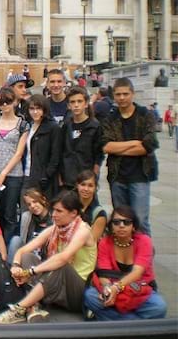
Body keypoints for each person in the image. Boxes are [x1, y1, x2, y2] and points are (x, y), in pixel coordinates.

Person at [0, 190, 97, 324]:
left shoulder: (83, 230)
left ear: (74, 213)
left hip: (78, 291)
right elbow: (22, 250)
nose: (53, 215)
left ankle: (19, 309)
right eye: (53, 210)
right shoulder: (56, 229)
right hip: (58, 286)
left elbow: (63, 258)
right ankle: (34, 306)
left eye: (59, 211)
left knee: (60, 265)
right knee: (27, 257)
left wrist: (31, 272)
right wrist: (16, 266)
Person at [83, 206, 167, 320]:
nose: (121, 226)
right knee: (90, 296)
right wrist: (108, 290)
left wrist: (117, 287)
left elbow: (137, 272)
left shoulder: (144, 241)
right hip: (112, 289)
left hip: (139, 291)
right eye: (116, 222)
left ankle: (117, 322)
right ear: (111, 226)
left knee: (159, 307)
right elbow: (103, 274)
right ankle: (136, 325)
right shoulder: (105, 242)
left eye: (126, 222)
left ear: (133, 226)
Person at [102, 78, 158, 235]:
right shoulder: (110, 118)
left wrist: (118, 148)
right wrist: (135, 143)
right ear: (113, 95)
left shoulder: (145, 114)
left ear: (132, 94)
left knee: (140, 220)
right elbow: (106, 146)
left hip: (140, 176)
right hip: (117, 176)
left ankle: (144, 257)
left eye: (125, 94)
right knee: (120, 221)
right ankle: (124, 257)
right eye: (118, 94)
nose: (121, 98)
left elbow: (149, 145)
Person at [0, 87, 29, 241]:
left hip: (13, 174)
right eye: (1, 102)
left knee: (9, 214)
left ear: (15, 102)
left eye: (8, 102)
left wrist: (3, 174)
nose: (4, 105)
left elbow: (19, 153)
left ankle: (8, 250)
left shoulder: (22, 124)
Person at [59, 86, 103, 190]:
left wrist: (94, 177)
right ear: (69, 105)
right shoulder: (66, 125)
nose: (76, 105)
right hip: (68, 178)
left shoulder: (95, 126)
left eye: (79, 101)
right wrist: (60, 176)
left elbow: (98, 155)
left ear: (86, 104)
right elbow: (61, 150)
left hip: (86, 178)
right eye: (73, 102)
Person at [22, 94, 61, 200]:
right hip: (26, 174)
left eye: (38, 108)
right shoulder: (28, 125)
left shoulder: (53, 127)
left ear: (44, 109)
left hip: (43, 179)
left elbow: (55, 155)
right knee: (25, 213)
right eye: (32, 108)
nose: (35, 112)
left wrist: (46, 175)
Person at [7, 188, 52, 264]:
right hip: (29, 252)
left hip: (46, 255)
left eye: (35, 202)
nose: (33, 206)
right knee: (16, 239)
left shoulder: (54, 217)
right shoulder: (27, 216)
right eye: (29, 204)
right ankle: (11, 271)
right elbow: (23, 239)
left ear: (43, 200)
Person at [76, 170, 108, 242]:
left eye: (90, 186)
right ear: (77, 185)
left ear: (95, 187)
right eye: (83, 184)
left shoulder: (100, 213)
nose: (86, 189)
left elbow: (92, 242)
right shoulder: (69, 206)